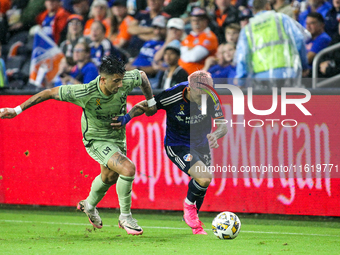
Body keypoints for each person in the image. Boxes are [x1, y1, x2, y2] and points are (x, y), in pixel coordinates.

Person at [0, 55, 157, 236]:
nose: (121, 85)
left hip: (117, 137)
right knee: (128, 169)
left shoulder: (125, 80)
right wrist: (16, 110)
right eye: (116, 81)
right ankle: (125, 217)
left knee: (109, 177)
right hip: (96, 139)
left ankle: (89, 205)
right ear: (103, 79)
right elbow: (48, 93)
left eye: (121, 80)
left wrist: (151, 102)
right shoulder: (85, 92)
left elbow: (143, 77)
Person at [112, 70, 228, 235]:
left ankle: (193, 220)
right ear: (189, 88)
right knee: (204, 177)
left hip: (201, 145)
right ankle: (189, 209)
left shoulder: (211, 97)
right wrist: (126, 118)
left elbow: (223, 125)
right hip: (178, 145)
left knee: (203, 183)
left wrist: (216, 134)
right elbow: (144, 105)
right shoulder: (172, 95)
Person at [234, 0, 309, 87]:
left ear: (253, 11)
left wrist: (241, 80)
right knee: (287, 100)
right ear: (267, 6)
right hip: (287, 71)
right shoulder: (282, 19)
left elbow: (243, 56)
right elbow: (299, 40)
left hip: (261, 76)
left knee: (269, 100)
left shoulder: (247, 29)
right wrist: (304, 65)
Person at [178, 7, 219, 75]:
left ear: (206, 21)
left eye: (199, 20)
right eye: (194, 20)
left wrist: (186, 49)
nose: (196, 23)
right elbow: (179, 53)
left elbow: (194, 57)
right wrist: (191, 49)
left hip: (199, 78)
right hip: (183, 75)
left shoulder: (210, 37)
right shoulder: (189, 36)